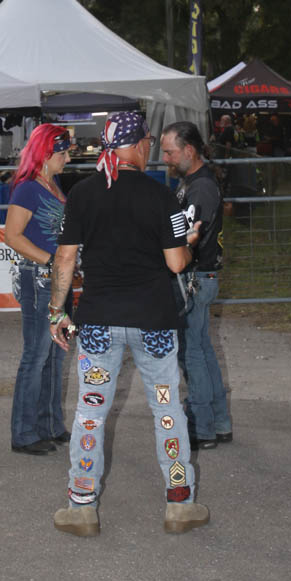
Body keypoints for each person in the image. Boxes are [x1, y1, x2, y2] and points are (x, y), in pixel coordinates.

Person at [48, 111, 210, 537]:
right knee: (167, 409)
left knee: (90, 412)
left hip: (99, 321)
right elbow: (176, 262)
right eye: (148, 141)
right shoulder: (163, 197)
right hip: (153, 322)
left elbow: (65, 258)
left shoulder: (81, 194)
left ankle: (81, 505)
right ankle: (179, 504)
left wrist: (56, 312)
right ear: (139, 145)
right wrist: (188, 243)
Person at [160, 121, 233, 451]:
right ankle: (218, 422)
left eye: (170, 152)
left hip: (195, 278)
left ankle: (202, 426)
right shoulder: (194, 182)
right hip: (202, 277)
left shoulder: (200, 188)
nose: (165, 158)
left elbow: (188, 238)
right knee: (201, 350)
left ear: (189, 151)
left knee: (192, 354)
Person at [4, 124, 74, 456]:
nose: (68, 157)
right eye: (63, 152)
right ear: (46, 153)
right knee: (36, 354)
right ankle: (24, 432)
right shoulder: (28, 189)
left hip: (57, 278)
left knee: (56, 352)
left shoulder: (52, 184)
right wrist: (50, 261)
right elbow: (12, 236)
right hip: (40, 278)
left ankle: (50, 425)